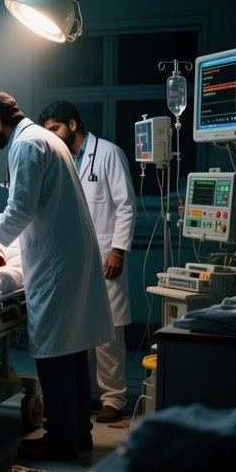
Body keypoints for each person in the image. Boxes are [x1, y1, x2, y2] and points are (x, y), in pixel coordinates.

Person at [0, 91, 114, 461]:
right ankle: (78, 432)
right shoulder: (46, 139)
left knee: (54, 351)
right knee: (73, 348)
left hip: (56, 260)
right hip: (68, 253)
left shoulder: (29, 144)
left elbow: (20, 208)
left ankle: (61, 438)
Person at [38, 100, 137, 424]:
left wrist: (119, 251)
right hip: (75, 258)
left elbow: (125, 205)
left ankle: (114, 397)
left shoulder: (108, 153)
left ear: (73, 124)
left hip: (106, 254)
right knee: (84, 329)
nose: (51, 135)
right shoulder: (60, 157)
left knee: (111, 332)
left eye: (55, 129)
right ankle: (93, 394)